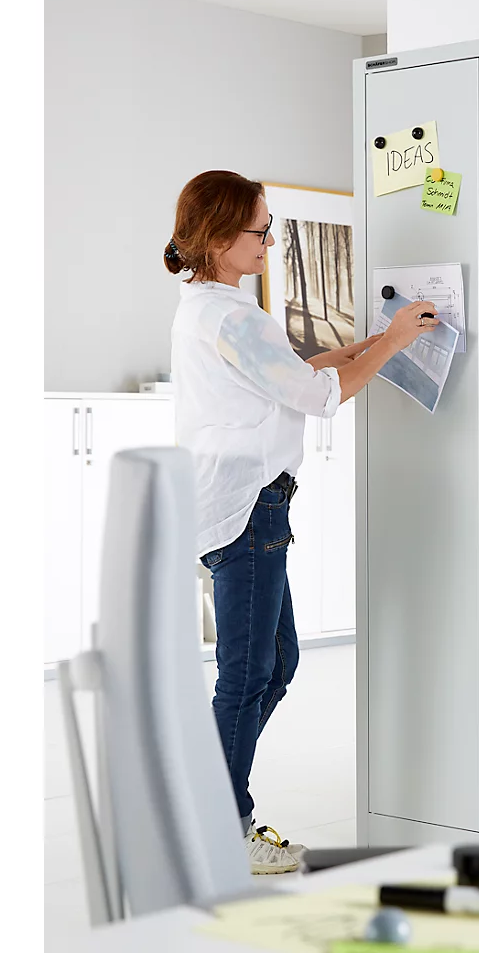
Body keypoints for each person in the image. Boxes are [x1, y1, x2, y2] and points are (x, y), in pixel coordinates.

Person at [165, 170, 438, 873]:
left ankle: (209, 798)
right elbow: (321, 395)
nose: (269, 238)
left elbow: (294, 374)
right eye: (260, 229)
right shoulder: (232, 317)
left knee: (273, 663)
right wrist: (397, 342)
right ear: (221, 238)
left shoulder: (208, 306)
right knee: (248, 672)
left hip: (247, 506)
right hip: (248, 509)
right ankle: (221, 826)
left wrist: (368, 343)